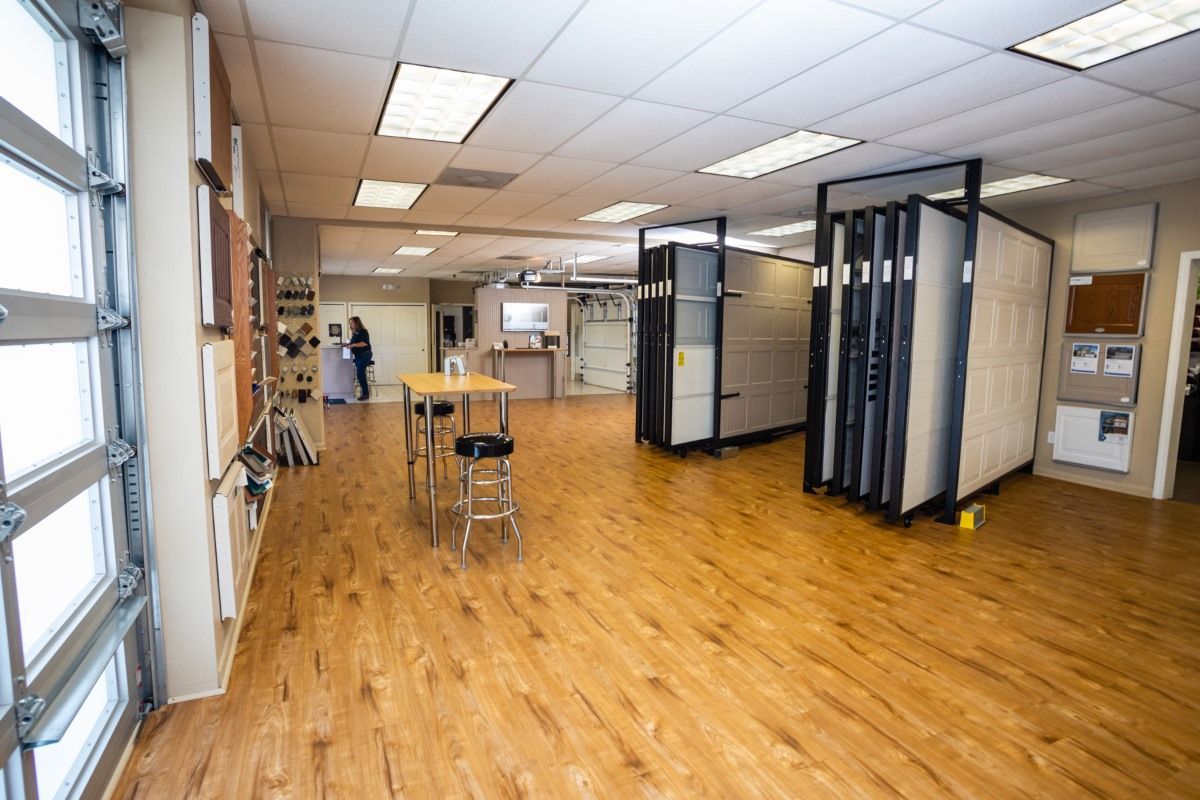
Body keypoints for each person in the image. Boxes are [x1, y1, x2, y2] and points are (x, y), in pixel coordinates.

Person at [343, 316, 373, 400]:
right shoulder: (355, 333)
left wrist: (353, 345)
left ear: (357, 323)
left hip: (365, 354)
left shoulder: (363, 331)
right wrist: (347, 344)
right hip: (358, 356)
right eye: (350, 323)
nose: (350, 325)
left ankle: (365, 394)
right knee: (359, 373)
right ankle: (364, 393)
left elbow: (364, 343)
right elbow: (353, 343)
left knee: (360, 373)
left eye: (351, 323)